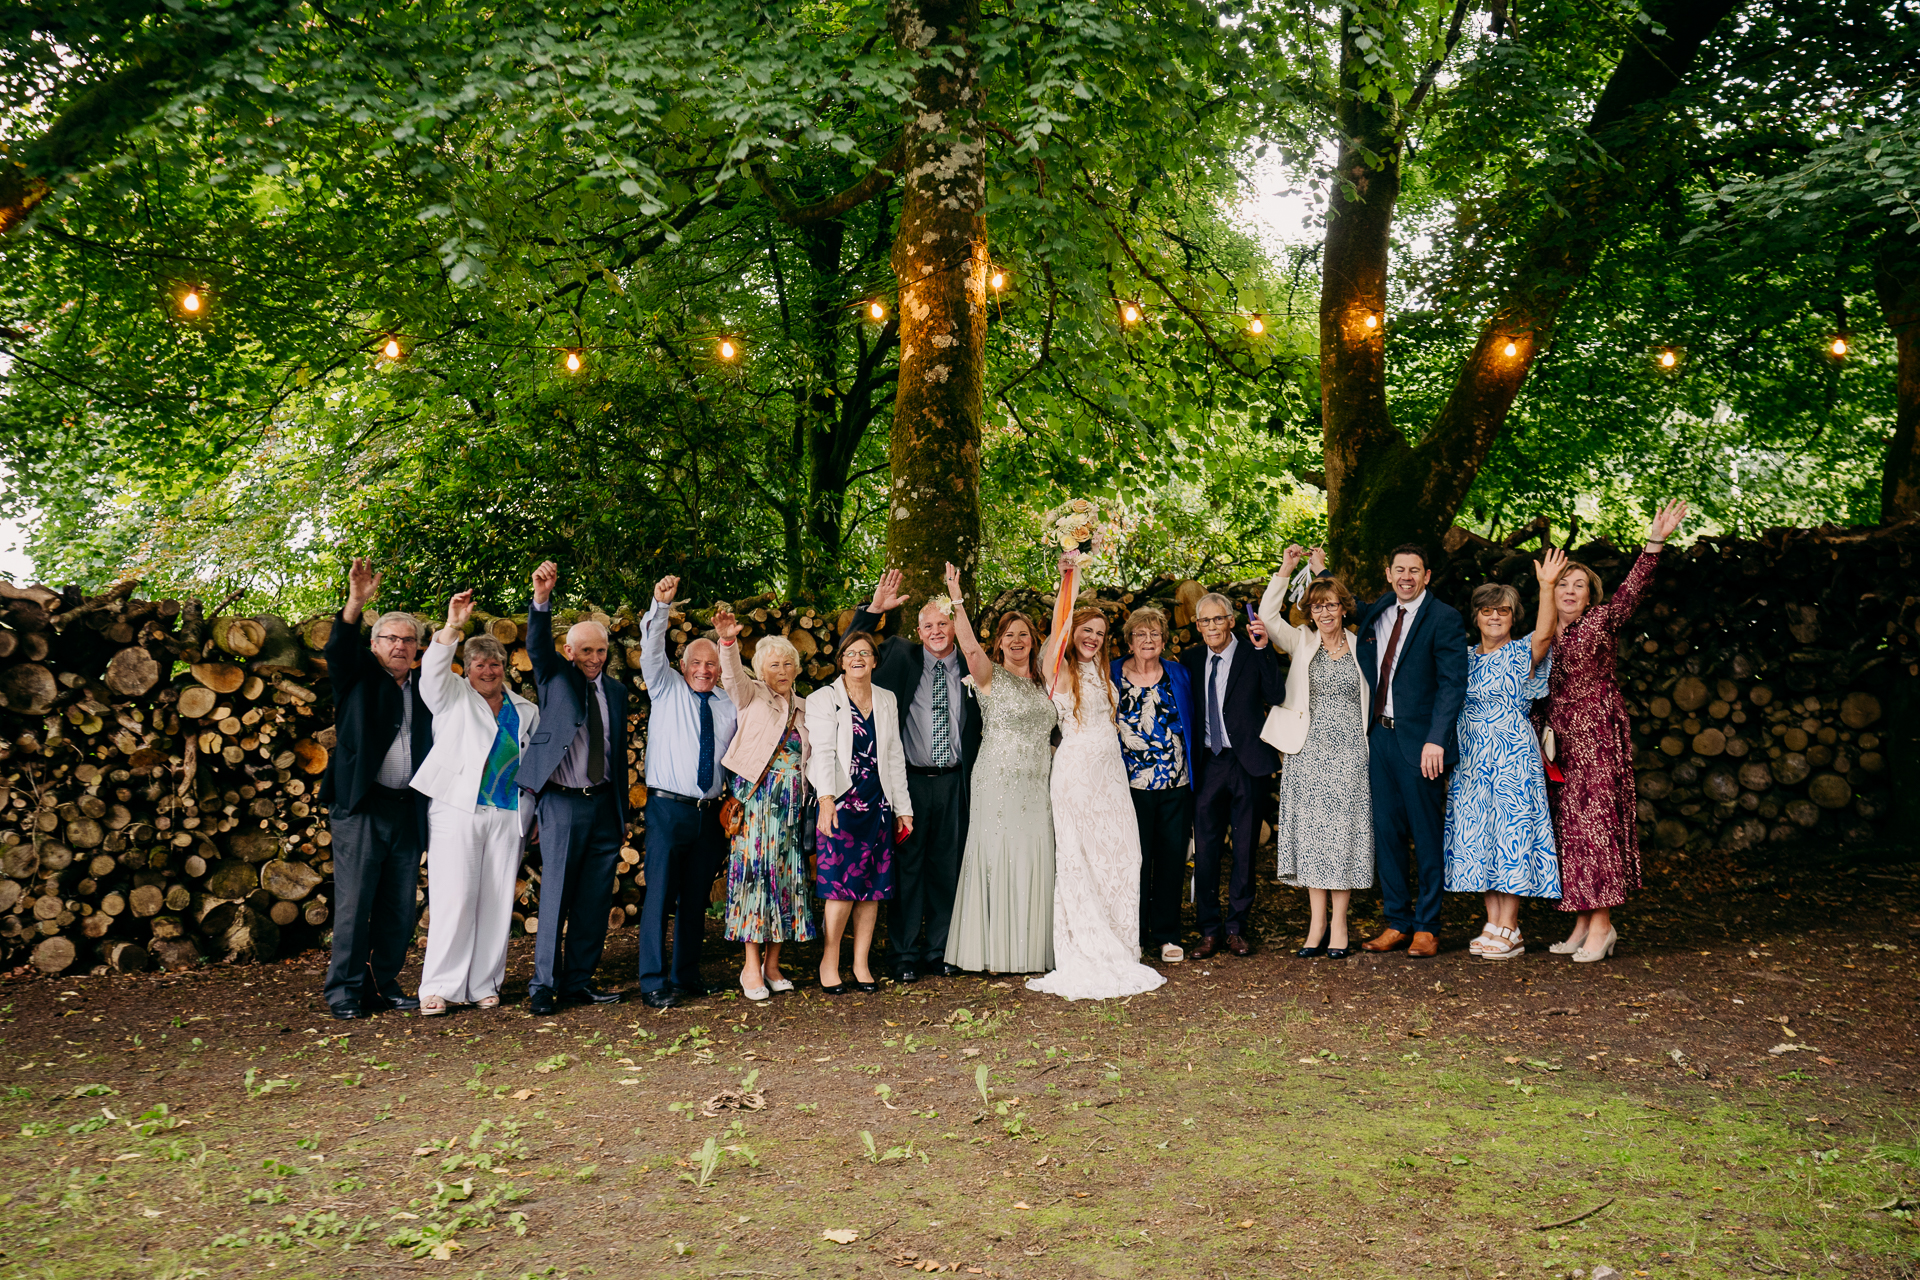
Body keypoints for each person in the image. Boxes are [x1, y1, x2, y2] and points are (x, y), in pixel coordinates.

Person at [1544, 500, 1689, 963]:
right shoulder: (1545, 634)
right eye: (1563, 584)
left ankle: (1603, 927)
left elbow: (1631, 592)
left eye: (1579, 585)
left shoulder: (1601, 620)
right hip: (1562, 743)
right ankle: (1583, 921)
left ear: (1591, 595)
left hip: (1599, 736)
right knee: (1572, 831)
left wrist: (1655, 543)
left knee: (1598, 828)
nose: (1570, 591)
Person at [1027, 553, 1167, 1001]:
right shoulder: (1057, 665)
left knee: (1124, 854)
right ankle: (1087, 946)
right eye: (1086, 630)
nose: (1093, 637)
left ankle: (1121, 943)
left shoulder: (1100, 669)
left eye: (1100, 633)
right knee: (1081, 859)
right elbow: (1059, 624)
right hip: (1077, 772)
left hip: (1111, 775)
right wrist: (1071, 573)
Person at [410, 590, 541, 1013]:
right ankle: (439, 987)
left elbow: (533, 763)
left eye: (496, 663)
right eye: (480, 664)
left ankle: (485, 982)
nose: (489, 670)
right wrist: (451, 627)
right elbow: (431, 670)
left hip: (508, 814)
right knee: (455, 897)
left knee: (498, 898)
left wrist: (534, 811)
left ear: (505, 668)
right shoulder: (450, 696)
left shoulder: (524, 709)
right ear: (466, 669)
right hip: (458, 810)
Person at [853, 569, 982, 984]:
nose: (935, 631)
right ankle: (904, 954)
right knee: (907, 867)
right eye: (927, 625)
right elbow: (851, 651)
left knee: (948, 867)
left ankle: (942, 949)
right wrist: (874, 610)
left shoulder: (972, 664)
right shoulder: (897, 656)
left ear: (954, 624)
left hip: (955, 781)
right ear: (919, 631)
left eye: (943, 623)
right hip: (909, 783)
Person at [320, 558, 434, 1020]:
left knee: (398, 908)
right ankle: (344, 991)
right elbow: (337, 649)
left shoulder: (428, 687)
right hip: (362, 806)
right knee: (354, 905)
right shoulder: (357, 675)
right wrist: (356, 602)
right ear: (374, 643)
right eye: (391, 638)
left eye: (408, 640)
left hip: (407, 808)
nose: (401, 646)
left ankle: (383, 984)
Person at [516, 560, 629, 1015]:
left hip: (603, 804)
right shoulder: (555, 677)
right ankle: (543, 984)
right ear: (569, 651)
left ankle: (578, 982)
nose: (595, 658)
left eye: (600, 651)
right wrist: (541, 601)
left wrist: (620, 811)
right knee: (557, 893)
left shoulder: (617, 692)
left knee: (594, 900)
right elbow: (537, 647)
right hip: (562, 803)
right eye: (586, 651)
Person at [1443, 553, 1566, 961]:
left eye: (1503, 611)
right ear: (1476, 617)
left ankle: (1510, 927)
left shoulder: (1519, 653)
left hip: (1511, 755)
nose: (1494, 617)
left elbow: (1546, 633)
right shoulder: (1464, 657)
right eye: (1487, 611)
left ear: (1513, 617)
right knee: (1481, 838)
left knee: (1511, 836)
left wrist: (1547, 586)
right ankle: (1493, 921)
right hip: (1472, 759)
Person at [942, 563, 1057, 975]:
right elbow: (969, 649)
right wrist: (956, 598)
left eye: (1023, 634)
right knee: (996, 854)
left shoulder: (1047, 683)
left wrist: (1068, 578)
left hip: (1037, 782)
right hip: (997, 780)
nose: (1016, 640)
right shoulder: (989, 677)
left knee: (1035, 854)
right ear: (1000, 644)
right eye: (1009, 635)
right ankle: (991, 950)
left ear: (1033, 640)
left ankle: (1034, 950)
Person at [1356, 544, 1469, 959]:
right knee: (1386, 832)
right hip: (1379, 738)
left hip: (1422, 745)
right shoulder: (1380, 609)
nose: (1406, 576)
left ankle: (1428, 925)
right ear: (1388, 574)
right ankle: (1397, 921)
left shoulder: (1444, 618)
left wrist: (1436, 738)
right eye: (1399, 569)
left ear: (1427, 575)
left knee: (1425, 834)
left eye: (1414, 570)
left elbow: (1453, 683)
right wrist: (1321, 569)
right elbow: (1345, 603)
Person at [1259, 547, 1371, 960]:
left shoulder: (1364, 648)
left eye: (1332, 605)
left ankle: (1339, 925)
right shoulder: (1301, 641)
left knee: (1341, 838)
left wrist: (1322, 567)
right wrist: (1287, 568)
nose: (1325, 613)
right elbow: (1269, 617)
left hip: (1351, 753)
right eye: (1317, 606)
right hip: (1307, 754)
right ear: (1310, 611)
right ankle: (1316, 924)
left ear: (1343, 609)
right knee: (1312, 839)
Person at [635, 575, 739, 1009]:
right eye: (696, 662)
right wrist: (661, 607)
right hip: (667, 809)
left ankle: (686, 974)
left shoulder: (726, 703)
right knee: (659, 896)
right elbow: (651, 648)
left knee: (695, 898)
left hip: (708, 812)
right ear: (682, 665)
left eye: (710, 664)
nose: (703, 669)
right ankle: (653, 980)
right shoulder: (664, 687)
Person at [712, 606, 815, 999]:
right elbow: (731, 674)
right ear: (760, 669)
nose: (783, 670)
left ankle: (772, 965)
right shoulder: (750, 694)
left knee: (785, 884)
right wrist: (727, 641)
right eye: (774, 664)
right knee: (755, 884)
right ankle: (750, 968)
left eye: (789, 663)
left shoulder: (806, 708)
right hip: (756, 808)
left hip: (790, 812)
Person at [805, 630, 913, 994]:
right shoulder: (824, 698)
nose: (857, 659)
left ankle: (861, 962)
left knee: (873, 888)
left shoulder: (886, 699)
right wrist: (825, 799)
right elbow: (821, 751)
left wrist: (903, 808)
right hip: (840, 804)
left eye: (865, 654)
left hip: (879, 803)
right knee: (841, 889)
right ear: (841, 660)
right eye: (851, 653)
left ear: (874, 661)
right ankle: (830, 959)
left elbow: (894, 754)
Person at [1178, 591, 1283, 958]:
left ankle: (1237, 926)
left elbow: (1276, 692)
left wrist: (1265, 649)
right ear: (1197, 626)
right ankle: (1208, 929)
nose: (1211, 627)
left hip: (1247, 762)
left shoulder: (1253, 651)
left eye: (1217, 619)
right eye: (1204, 621)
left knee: (1244, 850)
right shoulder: (1189, 659)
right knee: (1205, 850)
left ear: (1231, 620)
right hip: (1208, 763)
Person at [1111, 605, 1196, 965]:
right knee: (1134, 861)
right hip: (1130, 786)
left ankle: (1166, 935)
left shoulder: (1177, 673)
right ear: (1129, 641)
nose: (1148, 640)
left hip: (1176, 783)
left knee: (1172, 861)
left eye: (1155, 634)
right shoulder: (1112, 672)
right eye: (1140, 634)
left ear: (1164, 639)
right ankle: (1134, 933)